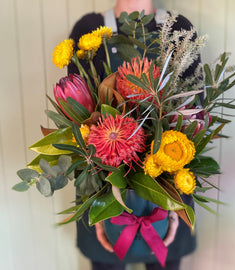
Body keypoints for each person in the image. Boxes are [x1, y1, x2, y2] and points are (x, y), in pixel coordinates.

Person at [68, 0, 199, 269]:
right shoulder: (89, 30)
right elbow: (76, 123)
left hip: (170, 191)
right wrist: (103, 208)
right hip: (100, 191)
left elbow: (193, 122)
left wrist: (171, 209)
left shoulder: (179, 29)